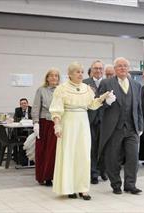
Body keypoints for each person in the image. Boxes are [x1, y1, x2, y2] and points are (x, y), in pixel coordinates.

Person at [49, 61, 114, 200]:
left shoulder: (87, 88)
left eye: (82, 72)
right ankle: (69, 187)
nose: (80, 74)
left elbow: (92, 105)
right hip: (68, 124)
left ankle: (83, 188)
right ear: (70, 74)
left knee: (83, 155)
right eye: (77, 72)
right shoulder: (61, 89)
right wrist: (57, 125)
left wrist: (102, 98)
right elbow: (56, 109)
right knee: (69, 155)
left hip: (83, 124)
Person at [98, 57, 143, 195]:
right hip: (114, 128)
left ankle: (130, 185)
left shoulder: (136, 85)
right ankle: (116, 184)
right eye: (119, 66)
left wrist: (140, 126)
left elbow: (139, 108)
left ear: (128, 68)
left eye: (125, 66)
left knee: (133, 158)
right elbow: (97, 104)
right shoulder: (106, 83)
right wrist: (107, 103)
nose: (122, 68)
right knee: (113, 158)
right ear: (115, 69)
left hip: (132, 128)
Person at [32, 68, 60, 186]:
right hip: (44, 123)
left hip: (57, 123)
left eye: (56, 76)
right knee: (43, 151)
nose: (54, 78)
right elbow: (36, 107)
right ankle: (44, 176)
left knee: (54, 152)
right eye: (51, 75)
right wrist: (36, 123)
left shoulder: (61, 90)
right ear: (47, 78)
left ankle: (54, 176)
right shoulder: (41, 90)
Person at [83, 60, 107, 184]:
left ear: (103, 70)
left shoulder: (108, 82)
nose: (98, 71)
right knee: (92, 148)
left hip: (105, 119)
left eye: (100, 68)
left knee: (104, 147)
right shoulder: (85, 83)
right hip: (90, 119)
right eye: (95, 68)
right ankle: (93, 173)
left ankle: (103, 171)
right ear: (91, 70)